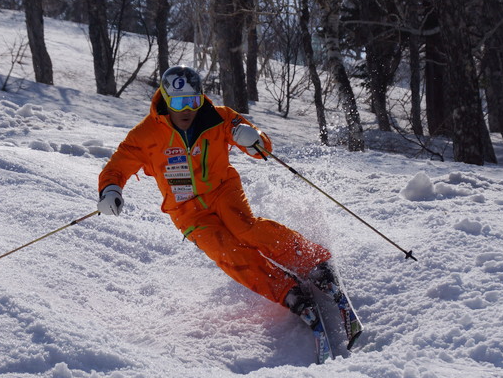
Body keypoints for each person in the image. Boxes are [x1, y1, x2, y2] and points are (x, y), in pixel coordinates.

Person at [97, 65, 334, 328]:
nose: (186, 109)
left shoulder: (219, 118)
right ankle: (287, 291)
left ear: (200, 98)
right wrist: (111, 189)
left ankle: (313, 263)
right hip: (186, 210)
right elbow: (117, 167)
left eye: (192, 100)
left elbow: (263, 151)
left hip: (223, 190)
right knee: (225, 250)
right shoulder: (146, 134)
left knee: (245, 229)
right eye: (177, 102)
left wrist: (252, 139)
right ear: (165, 99)